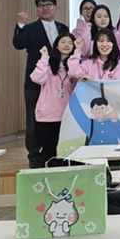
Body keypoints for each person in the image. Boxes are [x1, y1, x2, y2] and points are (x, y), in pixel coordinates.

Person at [13, 0, 69, 168]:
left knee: (59, 116)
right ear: (37, 9)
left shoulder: (63, 27)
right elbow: (18, 43)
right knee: (33, 118)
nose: (45, 8)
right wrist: (20, 25)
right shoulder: (29, 28)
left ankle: (55, 151)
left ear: (56, 8)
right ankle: (34, 154)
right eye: (41, 5)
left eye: (49, 4)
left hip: (58, 83)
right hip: (36, 81)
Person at [30, 33, 79, 163]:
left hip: (67, 115)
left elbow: (76, 74)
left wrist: (77, 54)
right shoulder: (47, 64)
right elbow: (36, 78)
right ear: (56, 45)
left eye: (70, 43)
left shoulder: (75, 65)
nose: (66, 45)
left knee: (66, 152)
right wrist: (44, 58)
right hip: (48, 115)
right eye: (63, 42)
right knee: (49, 151)